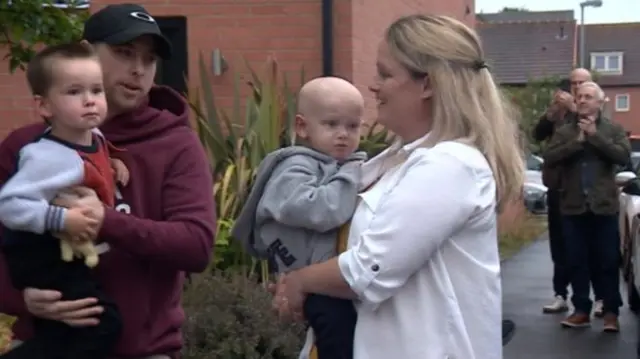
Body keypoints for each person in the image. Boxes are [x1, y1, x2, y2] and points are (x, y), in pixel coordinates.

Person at [270, 14, 524, 359]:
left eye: (386, 74)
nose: (374, 86)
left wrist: (299, 281)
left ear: (428, 84)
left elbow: (368, 272)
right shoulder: (396, 160)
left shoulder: (450, 165)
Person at [0, 4, 216, 358]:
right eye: (124, 52)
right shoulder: (28, 148)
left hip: (144, 350)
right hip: (46, 344)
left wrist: (105, 220)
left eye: (148, 60)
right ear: (85, 52)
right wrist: (17, 297)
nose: (137, 69)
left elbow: (195, 244)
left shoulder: (176, 143)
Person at [0, 43, 129, 359]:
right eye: (74, 92)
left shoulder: (90, 135)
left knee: (65, 330)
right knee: (102, 322)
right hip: (36, 253)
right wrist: (62, 219)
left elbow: (94, 154)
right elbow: (9, 205)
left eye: (96, 90)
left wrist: (113, 163)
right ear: (45, 106)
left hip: (59, 251)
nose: (90, 100)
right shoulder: (44, 155)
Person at [232, 76, 366, 359]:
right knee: (338, 337)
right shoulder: (294, 168)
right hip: (317, 285)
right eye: (331, 124)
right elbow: (323, 210)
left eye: (352, 126)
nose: (343, 134)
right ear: (302, 126)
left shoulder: (328, 164)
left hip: (323, 281)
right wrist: (351, 175)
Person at [544, 81, 630, 332]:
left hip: (603, 207)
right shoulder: (565, 131)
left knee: (607, 261)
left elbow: (623, 157)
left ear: (600, 102)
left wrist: (595, 136)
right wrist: (578, 142)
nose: (581, 100)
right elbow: (550, 157)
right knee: (576, 261)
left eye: (588, 97)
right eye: (579, 96)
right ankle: (581, 309)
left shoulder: (613, 129)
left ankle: (611, 313)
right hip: (572, 206)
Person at [532, 68, 606, 316]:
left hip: (587, 189)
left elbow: (606, 142)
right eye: (573, 83)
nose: (576, 88)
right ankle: (560, 293)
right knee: (561, 244)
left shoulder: (596, 110)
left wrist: (575, 109)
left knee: (592, 246)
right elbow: (538, 135)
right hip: (559, 185)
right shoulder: (560, 111)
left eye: (581, 83)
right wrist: (552, 113)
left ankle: (599, 298)